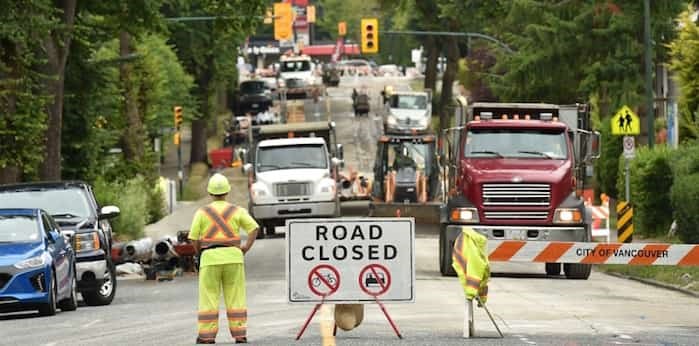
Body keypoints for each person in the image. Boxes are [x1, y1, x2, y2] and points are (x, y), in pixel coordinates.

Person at [190, 173, 259, 344]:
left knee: (209, 297)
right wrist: (245, 248)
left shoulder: (202, 212)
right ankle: (240, 334)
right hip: (234, 258)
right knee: (236, 297)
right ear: (227, 191)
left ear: (210, 192)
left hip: (210, 258)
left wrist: (199, 252)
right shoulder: (237, 211)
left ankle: (206, 336)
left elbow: (193, 237)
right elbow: (254, 228)